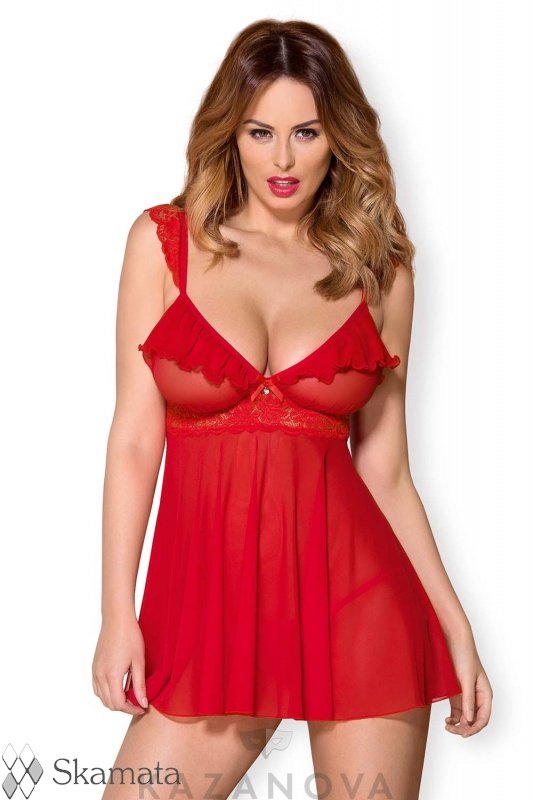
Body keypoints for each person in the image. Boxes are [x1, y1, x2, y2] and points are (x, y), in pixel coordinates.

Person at [92, 18, 493, 800]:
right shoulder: (163, 244)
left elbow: (384, 468)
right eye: (260, 132)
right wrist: (117, 614)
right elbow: (135, 440)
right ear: (229, 134)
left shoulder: (379, 271)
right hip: (213, 618)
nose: (282, 160)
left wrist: (455, 625)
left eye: (305, 132)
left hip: (361, 607)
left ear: (337, 135)